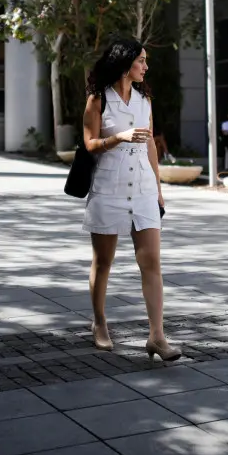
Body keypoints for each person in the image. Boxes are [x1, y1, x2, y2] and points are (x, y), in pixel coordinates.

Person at [82, 37, 181, 362]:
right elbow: (89, 145)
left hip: (142, 189)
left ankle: (157, 336)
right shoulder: (98, 100)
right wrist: (118, 138)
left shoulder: (144, 100)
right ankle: (99, 323)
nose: (146, 66)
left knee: (151, 263)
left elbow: (150, 143)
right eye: (141, 60)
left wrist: (158, 188)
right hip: (108, 188)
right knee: (104, 262)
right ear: (126, 63)